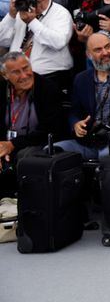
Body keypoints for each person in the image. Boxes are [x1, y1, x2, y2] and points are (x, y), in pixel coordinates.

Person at [54, 32, 110, 159]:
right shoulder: (81, 79)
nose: (105, 52)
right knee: (52, 151)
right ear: (89, 55)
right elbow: (74, 111)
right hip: (88, 141)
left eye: (107, 47)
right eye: (98, 50)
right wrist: (76, 124)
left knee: (105, 156)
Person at [0, 52, 64, 197]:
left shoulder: (47, 89)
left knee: (26, 158)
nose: (24, 75)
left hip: (37, 143)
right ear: (5, 75)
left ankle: (25, 203)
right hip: (8, 144)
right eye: (16, 72)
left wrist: (13, 144)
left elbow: (52, 130)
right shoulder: (2, 89)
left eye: (26, 68)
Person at [0, 0, 73, 95]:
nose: (34, 1)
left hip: (50, 78)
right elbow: (2, 40)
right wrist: (11, 16)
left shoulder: (60, 13)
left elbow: (58, 42)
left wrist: (32, 22)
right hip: (18, 78)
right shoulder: (20, 12)